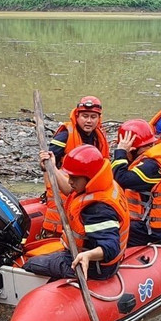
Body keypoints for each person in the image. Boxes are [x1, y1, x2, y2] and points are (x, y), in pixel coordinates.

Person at [23, 145, 129, 281]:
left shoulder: (98, 209)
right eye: (70, 176)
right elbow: (70, 190)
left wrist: (87, 256)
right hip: (85, 253)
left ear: (89, 177)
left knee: (31, 263)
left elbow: (110, 247)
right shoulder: (102, 183)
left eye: (74, 178)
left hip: (93, 266)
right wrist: (53, 168)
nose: (70, 181)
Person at [42, 96, 110, 236]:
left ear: (99, 118)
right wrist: (43, 163)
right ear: (77, 116)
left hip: (86, 189)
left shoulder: (98, 137)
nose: (89, 121)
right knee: (59, 227)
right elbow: (47, 162)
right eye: (85, 116)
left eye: (93, 117)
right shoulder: (65, 136)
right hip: (63, 187)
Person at [111, 119, 161, 247]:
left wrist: (120, 152)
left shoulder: (151, 166)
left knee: (103, 240)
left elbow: (120, 178)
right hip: (147, 225)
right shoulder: (156, 159)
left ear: (133, 148)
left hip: (146, 229)